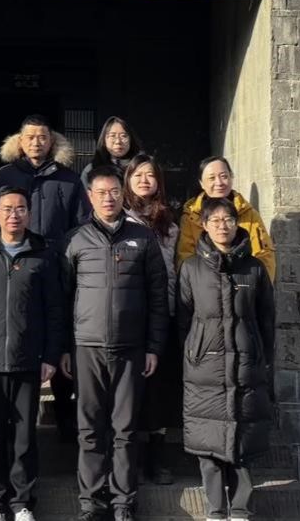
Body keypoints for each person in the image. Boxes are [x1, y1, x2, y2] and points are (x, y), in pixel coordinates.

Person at [59, 166, 169, 521]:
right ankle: (91, 503)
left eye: (114, 192)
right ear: (89, 197)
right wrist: (63, 348)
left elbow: (158, 296)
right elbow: (62, 299)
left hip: (131, 348)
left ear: (123, 195)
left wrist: (153, 347)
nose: (108, 198)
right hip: (86, 347)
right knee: (90, 430)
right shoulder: (74, 239)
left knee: (125, 430)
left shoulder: (143, 237)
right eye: (101, 193)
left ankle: (124, 503)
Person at [0, 187, 66, 521]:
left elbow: (55, 310)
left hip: (28, 359)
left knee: (24, 437)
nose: (14, 215)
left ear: (29, 214)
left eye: (20, 208)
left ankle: (22, 503)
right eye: (7, 209)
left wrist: (51, 355)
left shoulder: (43, 255)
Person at [0, 113, 89, 440]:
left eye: (42, 137)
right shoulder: (4, 175)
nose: (36, 142)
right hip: (15, 267)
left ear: (52, 141)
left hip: (58, 268)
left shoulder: (69, 179)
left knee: (58, 337)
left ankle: (65, 418)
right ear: (19, 141)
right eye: (30, 137)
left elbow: (81, 224)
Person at [177, 197, 276, 521]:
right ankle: (216, 510)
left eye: (229, 220)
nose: (223, 226)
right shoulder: (191, 268)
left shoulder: (255, 268)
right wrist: (192, 354)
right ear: (204, 225)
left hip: (246, 366)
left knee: (243, 441)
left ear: (237, 224)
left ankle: (241, 510)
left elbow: (266, 318)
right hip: (204, 369)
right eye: (215, 220)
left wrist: (264, 358)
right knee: (208, 444)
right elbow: (183, 318)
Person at [121, 153, 180, 485]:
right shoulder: (119, 219)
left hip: (162, 314)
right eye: (138, 174)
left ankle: (157, 458)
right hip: (128, 315)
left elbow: (175, 270)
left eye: (150, 175)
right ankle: (131, 458)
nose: (144, 180)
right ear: (127, 180)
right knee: (130, 390)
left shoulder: (169, 222)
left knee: (158, 389)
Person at [175, 156, 276, 281]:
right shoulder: (191, 216)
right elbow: (185, 257)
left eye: (224, 176)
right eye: (212, 178)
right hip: (205, 285)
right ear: (201, 183)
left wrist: (258, 286)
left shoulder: (248, 214)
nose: (219, 183)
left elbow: (263, 254)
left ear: (231, 177)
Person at [80, 116, 142, 187]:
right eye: (112, 136)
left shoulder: (141, 167)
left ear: (131, 139)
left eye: (123, 136)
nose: (118, 141)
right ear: (104, 140)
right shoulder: (91, 169)